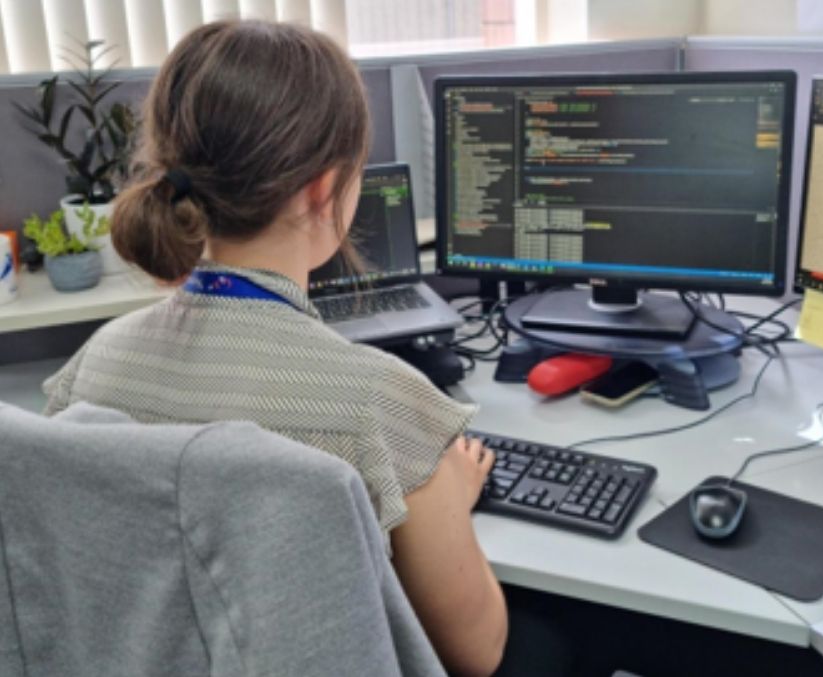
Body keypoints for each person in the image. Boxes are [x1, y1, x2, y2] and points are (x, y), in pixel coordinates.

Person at [42, 20, 507, 677]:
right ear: (325, 190)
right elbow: (477, 651)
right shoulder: (382, 406)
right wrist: (453, 498)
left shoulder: (90, 367)